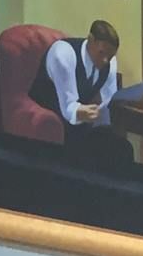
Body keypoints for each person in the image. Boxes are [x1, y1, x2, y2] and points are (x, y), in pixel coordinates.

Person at [29, 18, 135, 171]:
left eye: (110, 57)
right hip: (53, 120)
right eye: (102, 53)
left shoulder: (109, 63)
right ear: (91, 40)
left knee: (123, 149)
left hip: (80, 127)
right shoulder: (63, 54)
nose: (105, 61)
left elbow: (108, 102)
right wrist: (84, 113)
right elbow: (69, 108)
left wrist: (111, 112)